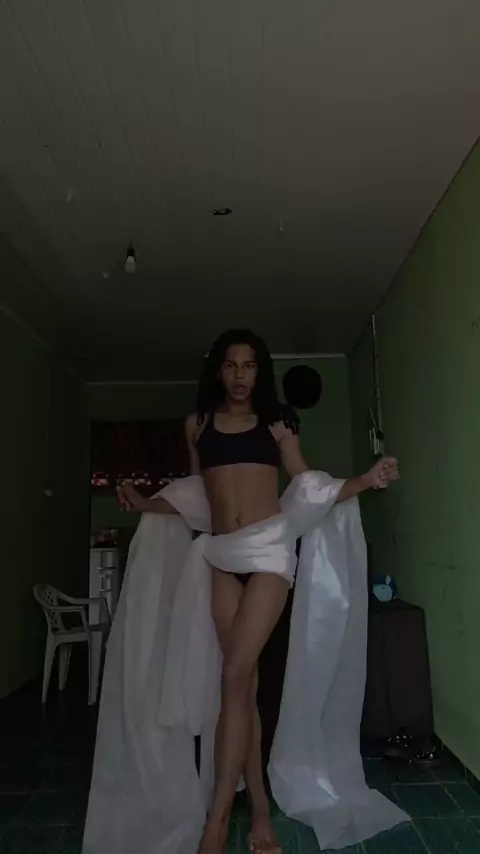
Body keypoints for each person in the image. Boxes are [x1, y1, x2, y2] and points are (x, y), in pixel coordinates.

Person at [110, 329, 400, 854]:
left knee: (234, 674)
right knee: (241, 687)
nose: (240, 375)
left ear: (259, 371)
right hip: (221, 555)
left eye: (249, 365)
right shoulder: (198, 425)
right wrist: (145, 502)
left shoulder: (277, 422)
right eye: (230, 365)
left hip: (268, 555)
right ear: (218, 370)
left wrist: (363, 481)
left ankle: (217, 819)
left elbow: (306, 484)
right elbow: (196, 494)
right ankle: (260, 808)